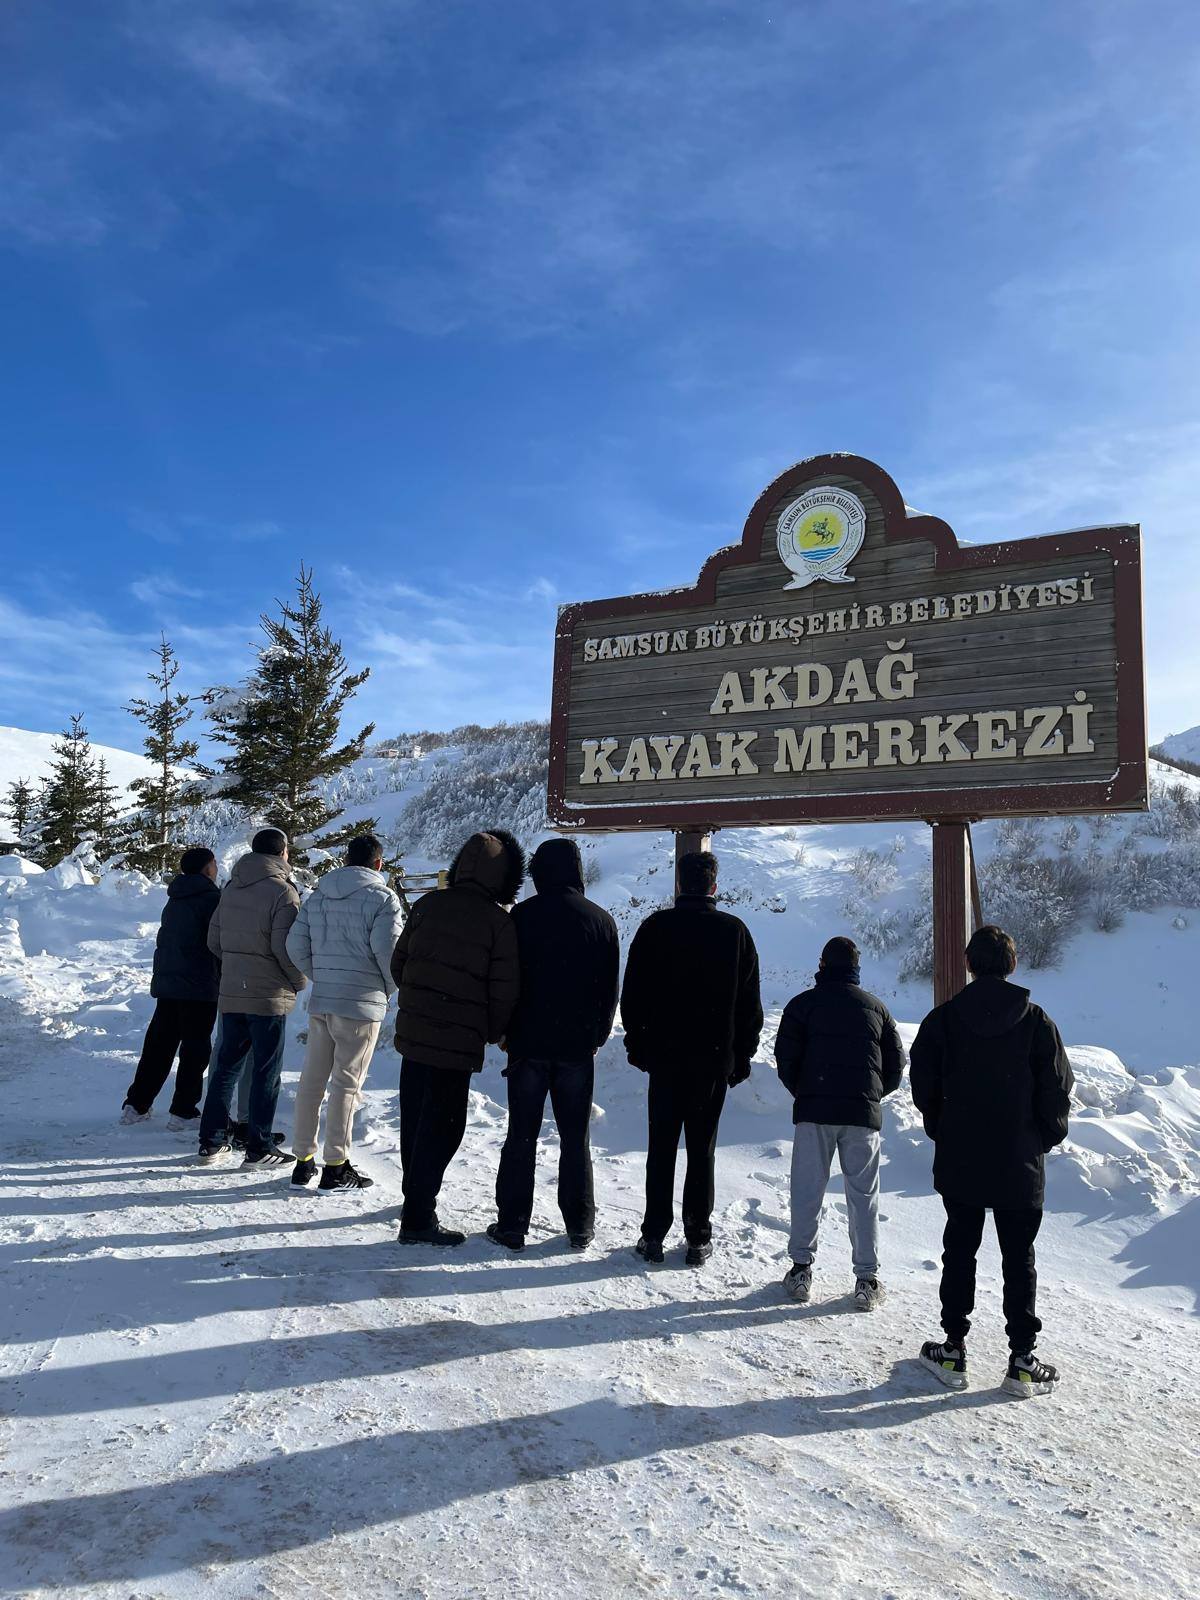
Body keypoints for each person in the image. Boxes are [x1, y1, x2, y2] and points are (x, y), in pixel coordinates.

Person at [910, 924, 1073, 1399]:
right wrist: (1038, 1139)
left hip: (961, 1157)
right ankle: (1022, 1360)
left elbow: (924, 1087)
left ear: (968, 964)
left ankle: (953, 1349)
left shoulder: (942, 1020)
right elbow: (1058, 1090)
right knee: (1018, 1258)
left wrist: (944, 1127)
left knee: (959, 1250)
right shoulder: (1037, 1022)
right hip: (1019, 1161)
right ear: (1013, 965)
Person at [620, 849, 762, 1266]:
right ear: (714, 887)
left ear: (679, 884)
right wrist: (741, 1056)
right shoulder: (735, 932)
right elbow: (749, 1006)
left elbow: (633, 996)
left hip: (664, 1058)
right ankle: (698, 1237)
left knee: (660, 1148)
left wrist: (639, 1046)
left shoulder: (654, 928)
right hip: (712, 1061)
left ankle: (652, 1236)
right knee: (702, 1149)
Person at [391, 829, 525, 1245]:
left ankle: (413, 1202)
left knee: (414, 1121)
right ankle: (417, 1217)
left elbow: (399, 965)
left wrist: (418, 1000)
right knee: (445, 1126)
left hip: (415, 1034)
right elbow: (504, 990)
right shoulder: (498, 923)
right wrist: (489, 1030)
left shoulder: (427, 905)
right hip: (458, 1041)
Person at [488, 839, 619, 1251]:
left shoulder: (520, 918)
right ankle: (579, 1225)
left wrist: (505, 1031)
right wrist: (596, 1037)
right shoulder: (601, 921)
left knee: (521, 1135)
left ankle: (512, 1225)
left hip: (527, 1043)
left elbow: (505, 981)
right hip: (577, 1047)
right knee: (574, 1138)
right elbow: (609, 991)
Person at [773, 935, 905, 1312]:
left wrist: (805, 1090)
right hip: (861, 1116)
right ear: (856, 968)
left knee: (807, 1190)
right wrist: (871, 1095)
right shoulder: (877, 1009)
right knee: (863, 1196)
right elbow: (896, 1066)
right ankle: (866, 1279)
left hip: (815, 1110)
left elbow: (786, 1057)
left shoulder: (802, 1005)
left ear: (822, 964)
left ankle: (800, 1271)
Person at [286, 833, 403, 1192]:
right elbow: (389, 952)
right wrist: (386, 987)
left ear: (346, 860)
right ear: (378, 864)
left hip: (323, 1000)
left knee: (312, 1080)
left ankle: (303, 1160)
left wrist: (320, 975)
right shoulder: (383, 898)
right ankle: (336, 1165)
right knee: (346, 1086)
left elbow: (295, 944)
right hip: (361, 1002)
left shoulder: (318, 896)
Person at [197, 828, 306, 1168]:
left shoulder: (231, 888)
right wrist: (298, 980)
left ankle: (211, 1140)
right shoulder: (282, 892)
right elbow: (284, 947)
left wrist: (236, 965)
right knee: (266, 1070)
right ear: (282, 853)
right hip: (268, 995)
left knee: (226, 1067)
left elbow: (213, 941)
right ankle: (258, 1145)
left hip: (232, 991)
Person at [120, 846, 221, 1129]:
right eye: (214, 863)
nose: (216, 868)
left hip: (168, 982)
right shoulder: (212, 899)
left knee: (158, 1046)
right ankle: (183, 1110)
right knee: (195, 1049)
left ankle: (136, 1104)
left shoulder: (175, 897)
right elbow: (217, 943)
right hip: (199, 985)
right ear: (207, 868)